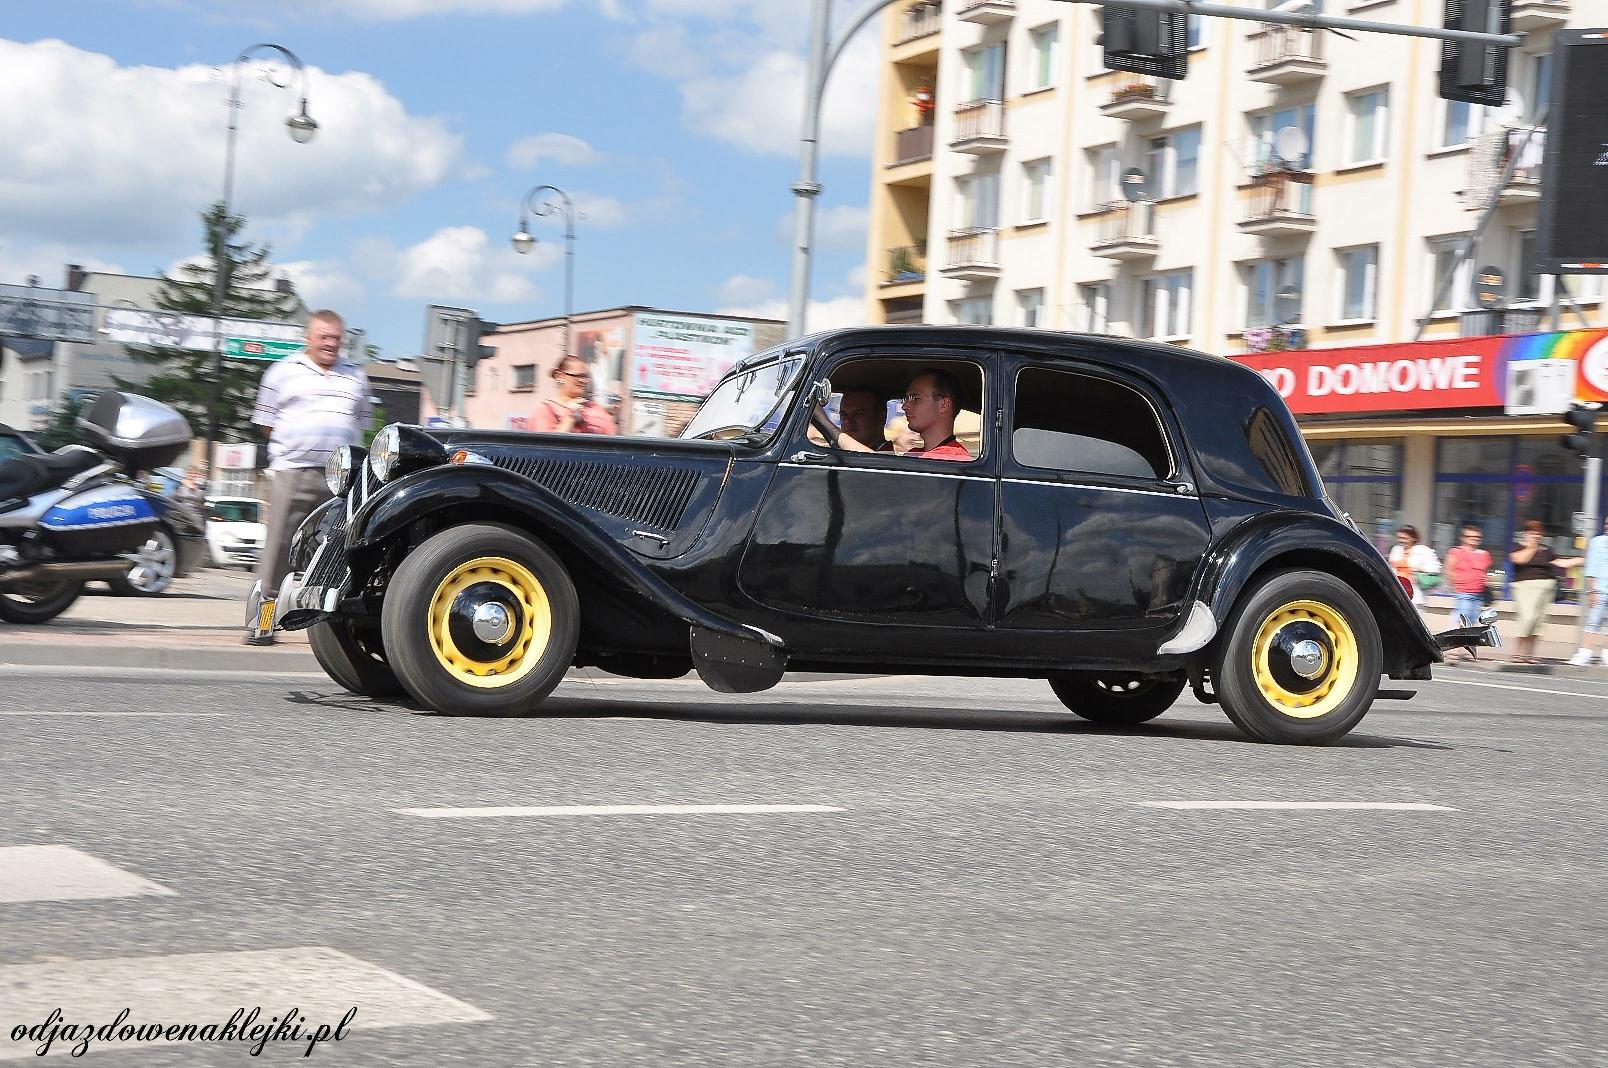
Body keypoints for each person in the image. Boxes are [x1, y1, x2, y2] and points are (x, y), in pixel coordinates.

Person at [244, 309, 372, 646]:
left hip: (341, 479)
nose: (330, 343)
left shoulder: (356, 376)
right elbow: (267, 424)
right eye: (323, 337)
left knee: (339, 553)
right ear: (308, 338)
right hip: (293, 473)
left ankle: (335, 635)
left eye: (336, 338)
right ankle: (262, 625)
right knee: (278, 553)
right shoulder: (282, 372)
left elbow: (360, 422)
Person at [1508, 519, 1584, 665]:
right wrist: (1532, 547)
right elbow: (1519, 560)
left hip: (1545, 589)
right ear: (1526, 533)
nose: (1536, 535)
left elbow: (1560, 563)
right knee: (1527, 618)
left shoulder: (1547, 550)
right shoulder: (1518, 547)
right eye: (1533, 532)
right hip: (1525, 587)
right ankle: (1518, 653)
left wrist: (1581, 560)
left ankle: (1530, 654)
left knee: (1538, 623)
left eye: (1538, 533)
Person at [533, 357, 617, 435]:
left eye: (585, 377)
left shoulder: (597, 409)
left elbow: (612, 440)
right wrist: (570, 418)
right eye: (578, 376)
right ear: (560, 376)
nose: (583, 381)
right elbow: (546, 444)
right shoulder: (545, 410)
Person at [1568, 515, 1608, 666]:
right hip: (1600, 589)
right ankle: (1585, 653)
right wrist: (1592, 591)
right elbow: (1591, 568)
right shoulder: (1597, 542)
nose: (1607, 526)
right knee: (1593, 622)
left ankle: (1606, 653)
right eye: (1606, 523)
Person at [1387, 525, 1441, 613]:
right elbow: (1391, 568)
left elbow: (1435, 568)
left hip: (1415, 594)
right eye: (1399, 538)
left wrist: (1418, 569)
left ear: (1413, 538)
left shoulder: (1423, 551)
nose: (1401, 540)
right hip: (1397, 591)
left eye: (1404, 538)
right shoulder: (1396, 550)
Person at [837, 388, 892, 452]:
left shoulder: (888, 454)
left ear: (881, 418)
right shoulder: (840, 453)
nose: (847, 421)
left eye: (858, 414)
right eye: (843, 415)